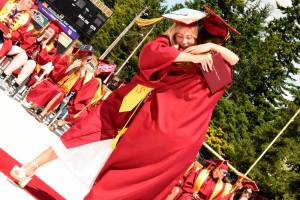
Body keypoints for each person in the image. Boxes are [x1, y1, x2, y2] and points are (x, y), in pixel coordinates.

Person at [10, 8, 240, 199]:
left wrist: (208, 50)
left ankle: (40, 170)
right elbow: (155, 56)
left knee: (116, 162)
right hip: (134, 104)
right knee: (87, 135)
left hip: (148, 114)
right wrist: (196, 53)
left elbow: (225, 64)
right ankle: (32, 166)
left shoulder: (207, 60)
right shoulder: (175, 47)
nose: (189, 36)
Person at [26, 49, 99, 122]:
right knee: (55, 90)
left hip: (63, 91)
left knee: (59, 93)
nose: (87, 63)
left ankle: (38, 110)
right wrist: (71, 67)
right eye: (87, 60)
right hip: (53, 82)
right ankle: (40, 112)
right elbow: (55, 74)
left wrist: (81, 77)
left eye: (88, 62)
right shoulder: (67, 59)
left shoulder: (82, 71)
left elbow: (75, 89)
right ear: (82, 56)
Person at [1, 20, 63, 92]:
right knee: (23, 56)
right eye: (47, 30)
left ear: (53, 36)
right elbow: (23, 41)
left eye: (50, 32)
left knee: (31, 63)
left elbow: (43, 61)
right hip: (21, 55)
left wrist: (43, 47)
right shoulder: (35, 33)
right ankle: (3, 75)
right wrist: (37, 40)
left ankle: (15, 85)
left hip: (32, 63)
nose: (47, 32)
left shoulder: (51, 48)